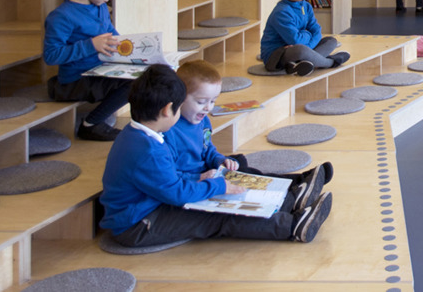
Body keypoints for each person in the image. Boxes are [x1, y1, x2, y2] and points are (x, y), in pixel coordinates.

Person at [99, 65, 332, 248]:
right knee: (218, 217)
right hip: (138, 225)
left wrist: (210, 181)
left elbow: (172, 184)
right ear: (166, 110)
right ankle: (292, 226)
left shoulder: (139, 136)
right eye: (179, 108)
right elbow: (177, 193)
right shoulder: (148, 149)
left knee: (232, 179)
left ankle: (287, 200)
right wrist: (216, 185)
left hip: (151, 206)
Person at [169, 60, 333, 190]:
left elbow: (208, 150)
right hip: (195, 183)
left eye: (212, 101)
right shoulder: (169, 130)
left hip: (211, 173)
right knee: (246, 177)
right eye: (201, 102)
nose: (208, 108)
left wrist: (220, 160)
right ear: (180, 96)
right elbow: (168, 176)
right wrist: (199, 178)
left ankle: (300, 180)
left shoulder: (202, 119)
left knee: (244, 171)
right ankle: (298, 186)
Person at [43, 0, 131, 141]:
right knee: (134, 84)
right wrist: (91, 45)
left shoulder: (99, 8)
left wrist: (131, 50)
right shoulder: (62, 16)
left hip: (99, 71)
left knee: (151, 74)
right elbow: (51, 55)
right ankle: (91, 124)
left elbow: (111, 35)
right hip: (74, 81)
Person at [260, 0, 351, 75]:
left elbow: (316, 30)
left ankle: (302, 64)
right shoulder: (282, 12)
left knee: (331, 41)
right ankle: (330, 62)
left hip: (299, 48)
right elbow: (296, 40)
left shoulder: (306, 6)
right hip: (276, 55)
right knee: (301, 50)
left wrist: (307, 44)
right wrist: (308, 35)